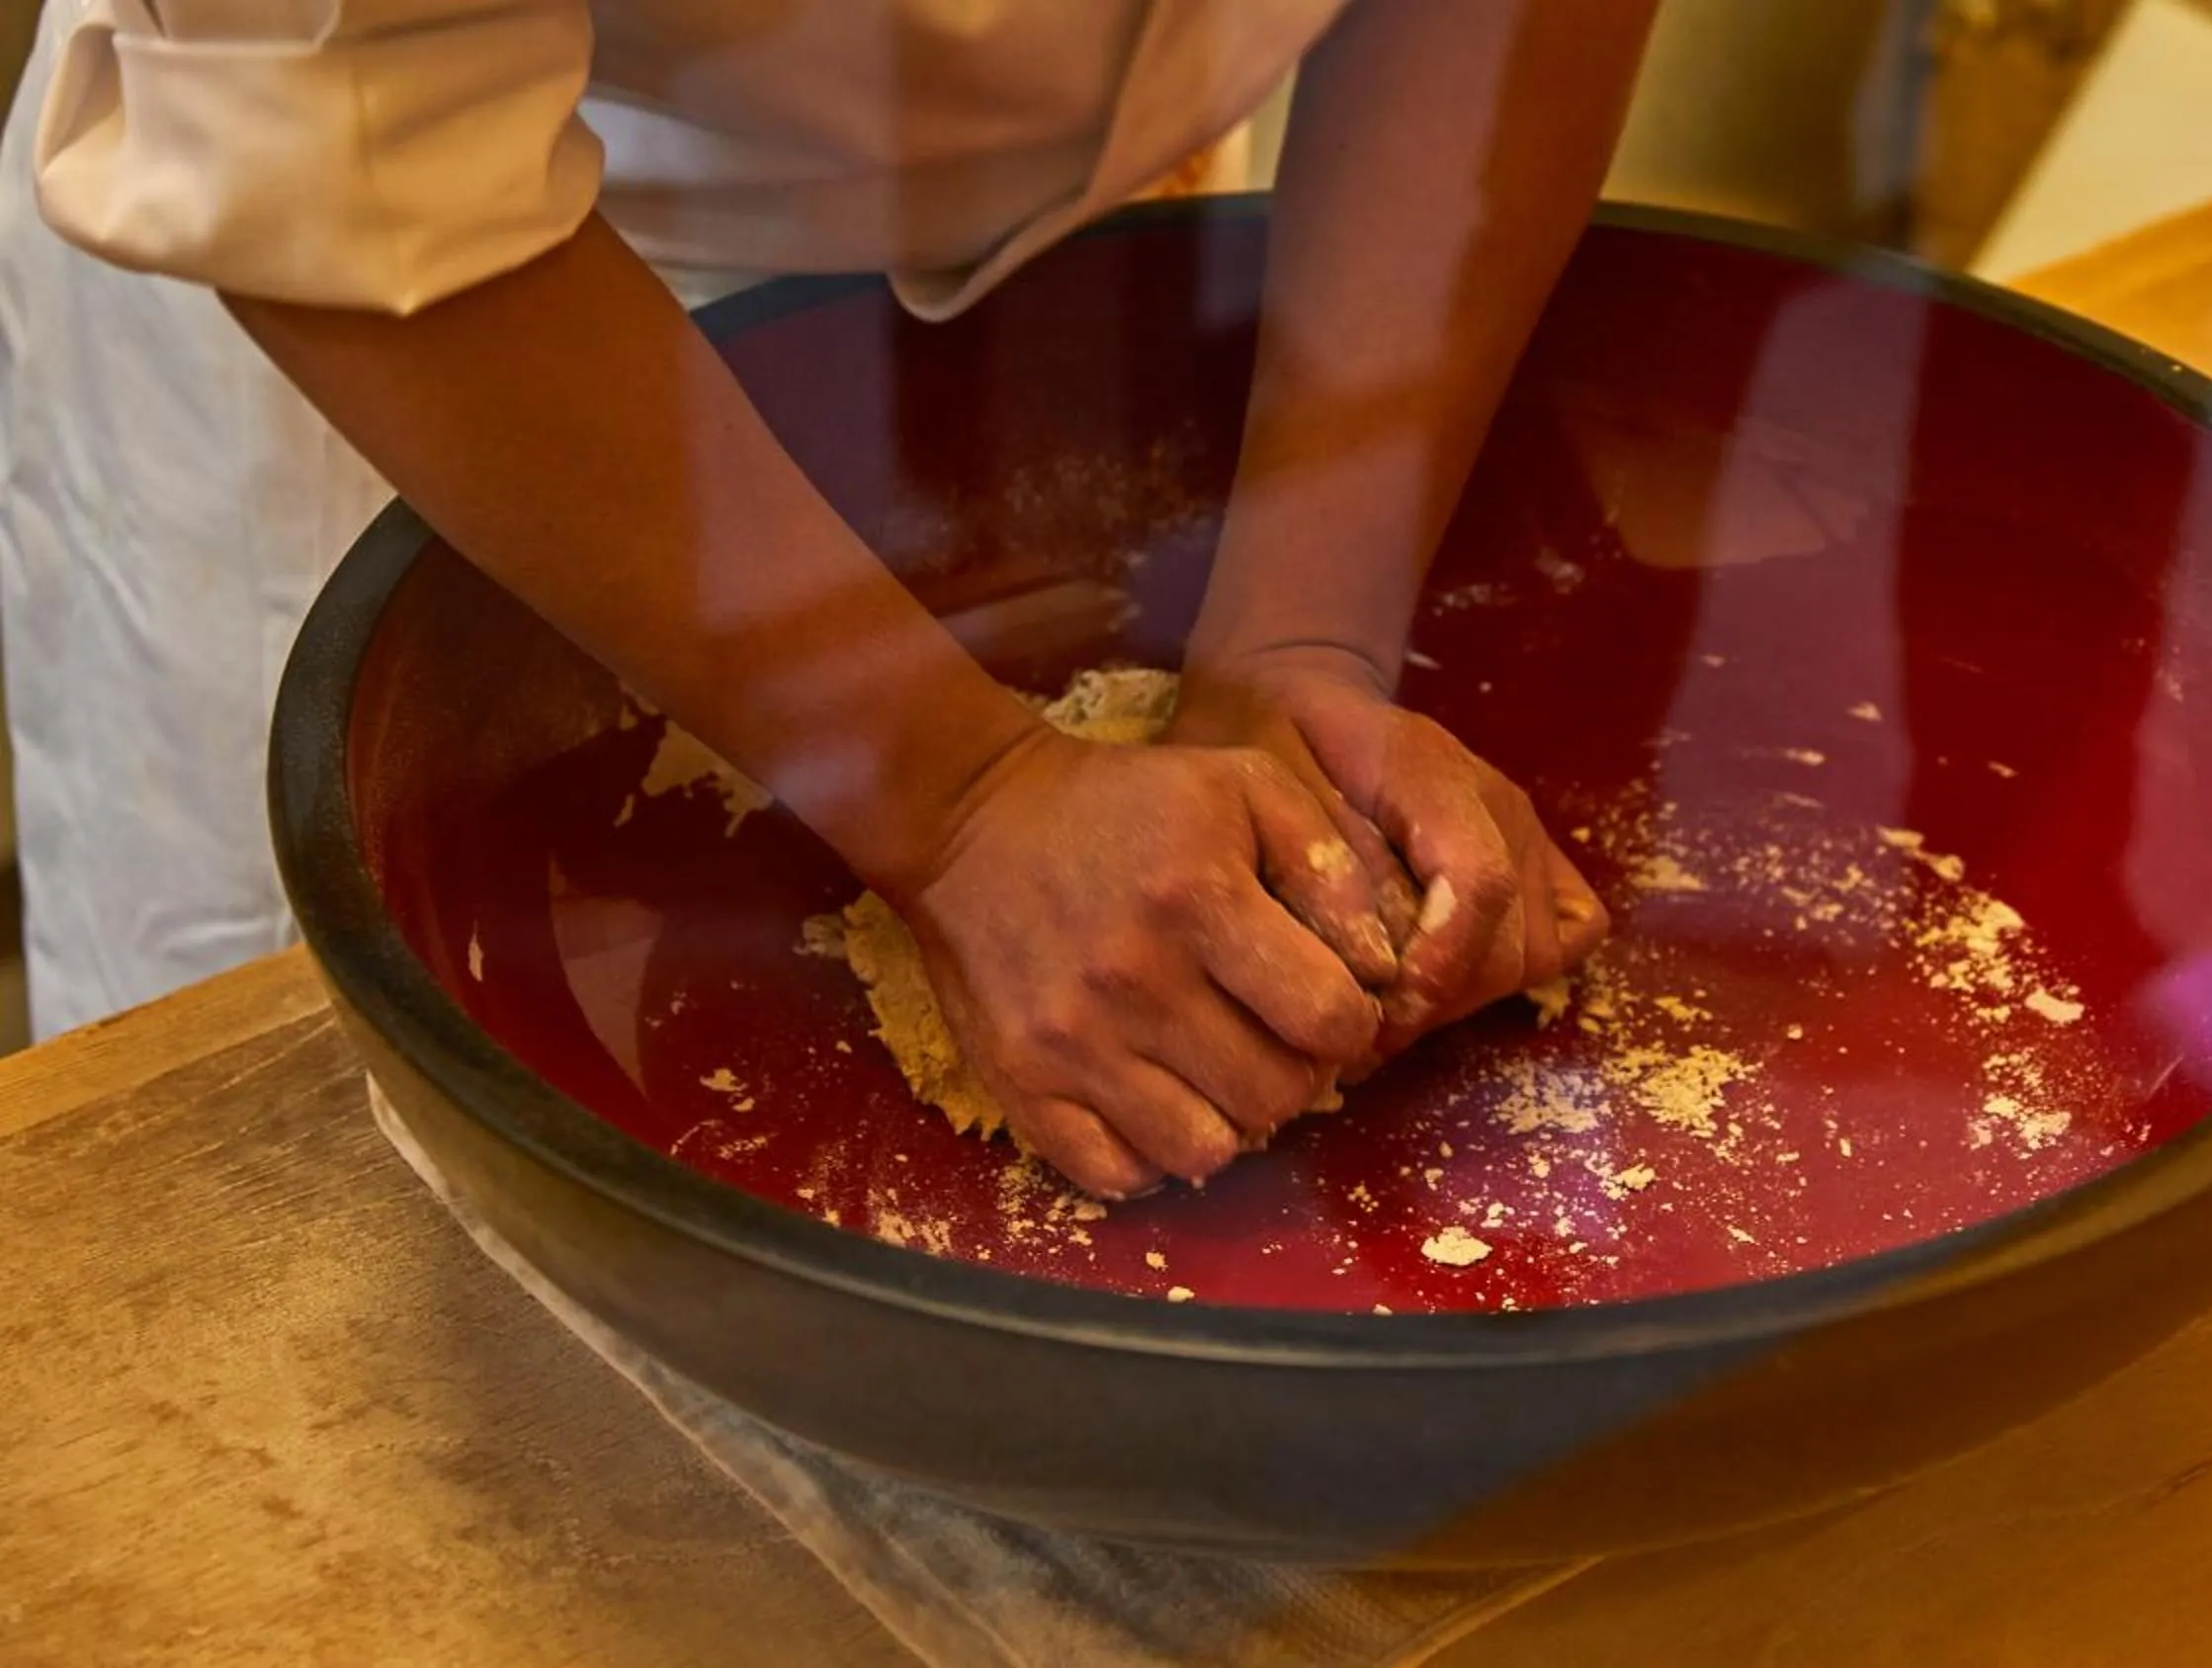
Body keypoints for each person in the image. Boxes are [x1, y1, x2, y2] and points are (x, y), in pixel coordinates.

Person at [0, 0, 1657, 1196]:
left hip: (1077, 233)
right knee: (346, 1224)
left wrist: (1302, 627)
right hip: (459, 312)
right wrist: (957, 803)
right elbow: (320, 124)